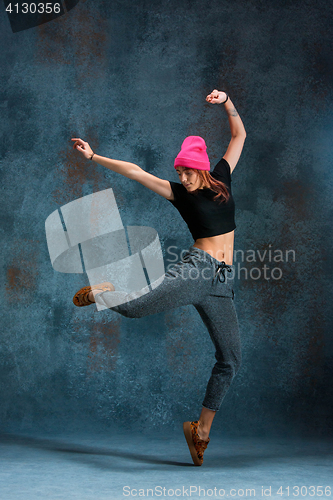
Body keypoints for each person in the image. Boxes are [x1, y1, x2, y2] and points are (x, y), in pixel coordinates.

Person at [71, 89, 246, 466]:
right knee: (135, 310)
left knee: (230, 359)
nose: (180, 175)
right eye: (178, 170)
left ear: (200, 167)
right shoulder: (178, 193)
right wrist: (94, 156)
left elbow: (239, 136)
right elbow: (135, 172)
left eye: (185, 170)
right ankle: (105, 292)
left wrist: (227, 102)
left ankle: (200, 431)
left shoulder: (222, 176)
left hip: (223, 282)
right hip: (197, 270)